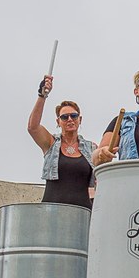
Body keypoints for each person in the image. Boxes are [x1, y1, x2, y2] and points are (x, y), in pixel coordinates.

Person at [27, 75, 97, 209]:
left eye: (74, 116)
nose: (70, 119)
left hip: (82, 212)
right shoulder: (51, 143)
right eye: (64, 117)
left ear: (80, 119)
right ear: (58, 122)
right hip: (52, 211)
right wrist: (42, 96)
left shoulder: (92, 148)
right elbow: (33, 127)